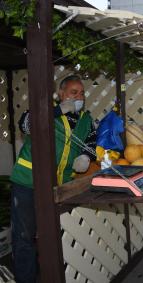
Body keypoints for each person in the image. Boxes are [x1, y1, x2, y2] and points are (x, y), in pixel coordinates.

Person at [9, 75, 96, 283]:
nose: (79, 96)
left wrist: (86, 156)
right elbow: (26, 125)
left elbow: (92, 140)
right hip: (27, 183)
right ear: (61, 94)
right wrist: (58, 110)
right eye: (73, 92)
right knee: (24, 238)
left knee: (55, 236)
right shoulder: (45, 109)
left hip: (61, 188)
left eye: (82, 93)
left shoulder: (86, 119)